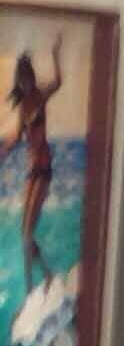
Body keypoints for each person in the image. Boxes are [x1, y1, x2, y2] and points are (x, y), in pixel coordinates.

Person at [7, 34, 60, 286]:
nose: (24, 82)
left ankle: (31, 286)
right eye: (21, 78)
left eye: (27, 77)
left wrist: (56, 54)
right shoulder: (23, 106)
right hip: (31, 169)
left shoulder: (41, 95)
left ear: (31, 76)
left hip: (44, 168)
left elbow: (58, 81)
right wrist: (3, 150)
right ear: (18, 80)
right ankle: (45, 275)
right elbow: (17, 137)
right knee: (24, 233)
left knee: (28, 231)